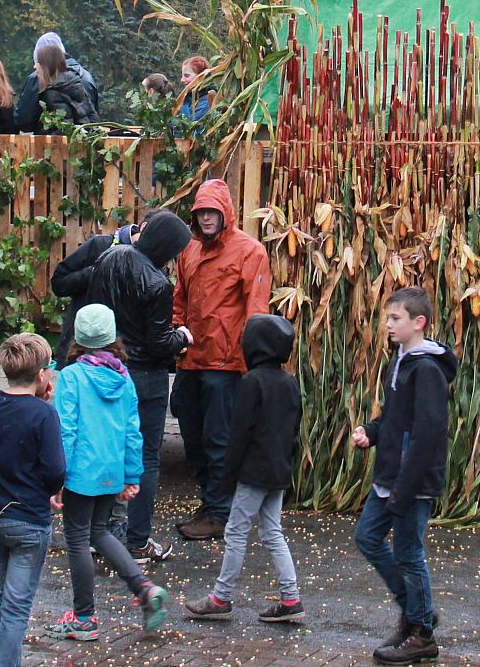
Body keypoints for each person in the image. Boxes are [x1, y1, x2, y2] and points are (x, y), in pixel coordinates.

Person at [48, 304, 172, 643]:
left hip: (79, 472)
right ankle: (144, 588)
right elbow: (134, 431)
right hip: (110, 469)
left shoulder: (71, 377)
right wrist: (132, 475)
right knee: (99, 532)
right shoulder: (123, 377)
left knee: (77, 539)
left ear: (78, 336)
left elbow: (65, 431)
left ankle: (84, 617)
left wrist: (57, 478)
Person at [351, 285, 455, 666]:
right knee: (367, 537)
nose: (388, 325)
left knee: (410, 554)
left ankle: (423, 634)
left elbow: (427, 434)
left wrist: (405, 489)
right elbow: (395, 419)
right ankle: (413, 609)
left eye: (395, 318)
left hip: (412, 481)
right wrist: (371, 432)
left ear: (419, 322)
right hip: (390, 475)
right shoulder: (399, 362)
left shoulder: (427, 370)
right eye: (388, 318)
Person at [81, 208, 192, 562]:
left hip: (105, 364)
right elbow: (158, 343)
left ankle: (99, 533)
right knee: (144, 456)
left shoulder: (109, 258)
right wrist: (182, 337)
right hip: (145, 377)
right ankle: (137, 540)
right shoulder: (158, 283)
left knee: (107, 449)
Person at [183, 314, 306, 624]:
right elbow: (294, 431)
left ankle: (220, 597)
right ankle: (291, 597)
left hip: (253, 472)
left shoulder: (251, 383)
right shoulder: (290, 382)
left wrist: (227, 476)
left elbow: (239, 434)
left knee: (236, 532)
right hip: (278, 471)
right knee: (272, 532)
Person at [171, 178, 272, 541]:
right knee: (192, 434)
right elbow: (180, 298)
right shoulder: (189, 250)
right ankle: (211, 500)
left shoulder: (249, 251)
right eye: (201, 212)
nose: (206, 218)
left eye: (212, 211)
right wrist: (177, 334)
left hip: (226, 363)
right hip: (192, 358)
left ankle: (220, 512)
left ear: (226, 212)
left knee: (218, 439)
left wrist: (252, 362)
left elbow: (256, 310)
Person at [0, 332, 66, 667]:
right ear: (43, 375)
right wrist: (52, 491)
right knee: (16, 607)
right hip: (29, 520)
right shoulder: (44, 415)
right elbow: (55, 469)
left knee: (6, 602)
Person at [50, 220, 133, 350]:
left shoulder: (148, 264)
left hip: (118, 351)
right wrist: (94, 272)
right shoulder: (100, 245)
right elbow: (59, 283)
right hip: (78, 347)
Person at [14, 32, 99, 132]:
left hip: (53, 140)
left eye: (38, 62)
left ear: (45, 62)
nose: (35, 66)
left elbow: (24, 120)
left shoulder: (43, 82)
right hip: (83, 137)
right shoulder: (85, 77)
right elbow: (93, 118)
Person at [177, 55, 213, 123]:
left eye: (186, 76)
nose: (182, 80)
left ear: (201, 76)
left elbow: (190, 126)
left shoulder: (207, 102)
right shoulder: (187, 98)